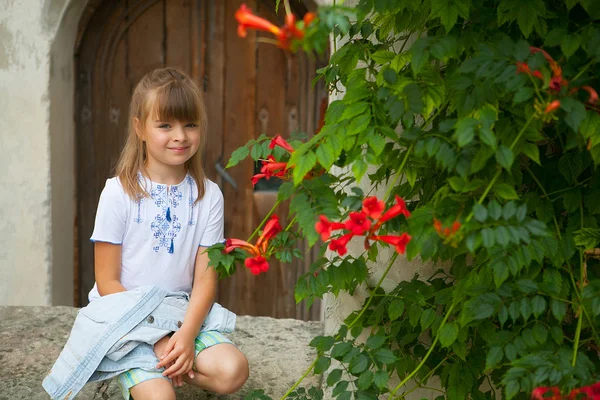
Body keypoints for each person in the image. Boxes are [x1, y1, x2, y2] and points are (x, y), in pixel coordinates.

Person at [89, 67, 249, 400]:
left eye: (190, 124)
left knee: (233, 371)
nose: (180, 136)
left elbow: (205, 279)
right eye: (165, 125)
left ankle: (173, 365)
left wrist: (187, 337)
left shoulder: (208, 196)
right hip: (124, 315)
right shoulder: (118, 193)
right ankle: (144, 365)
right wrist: (155, 339)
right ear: (140, 128)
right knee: (161, 398)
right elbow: (107, 282)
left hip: (179, 311)